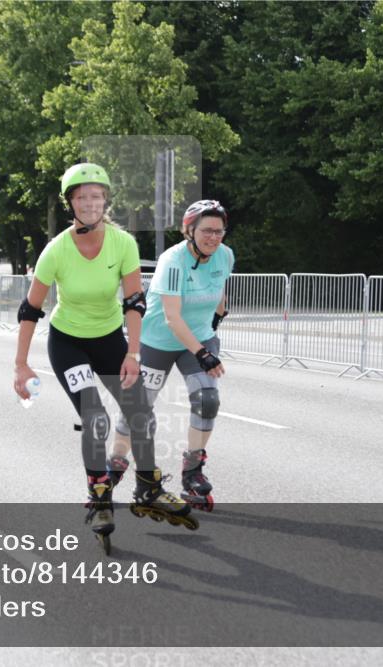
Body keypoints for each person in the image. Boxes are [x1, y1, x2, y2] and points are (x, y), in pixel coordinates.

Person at [13, 163, 196, 552]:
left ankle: (148, 486)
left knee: (139, 411)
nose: (90, 203)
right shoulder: (56, 250)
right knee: (95, 416)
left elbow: (134, 301)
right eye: (82, 197)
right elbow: (30, 310)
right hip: (68, 343)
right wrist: (21, 365)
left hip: (110, 339)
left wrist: (133, 352)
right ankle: (99, 496)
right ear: (71, 203)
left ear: (105, 201)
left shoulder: (122, 243)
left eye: (97, 196)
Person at [109, 200, 234, 512]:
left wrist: (219, 315)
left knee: (207, 400)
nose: (214, 237)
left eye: (219, 231)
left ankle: (193, 472)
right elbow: (172, 319)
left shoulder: (225, 255)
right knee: (138, 410)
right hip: (158, 341)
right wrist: (204, 353)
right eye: (207, 231)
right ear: (188, 230)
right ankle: (116, 464)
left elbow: (218, 287)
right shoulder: (172, 261)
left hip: (199, 337)